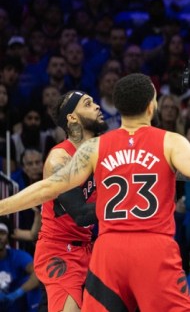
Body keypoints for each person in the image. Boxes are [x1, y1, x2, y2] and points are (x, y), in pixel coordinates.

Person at [0, 73, 190, 311]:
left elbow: (48, 187)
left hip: (106, 248)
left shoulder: (96, 148)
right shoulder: (170, 141)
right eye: (88, 104)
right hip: (136, 246)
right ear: (151, 105)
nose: (94, 107)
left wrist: (3, 206)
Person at [34, 90, 108, 312]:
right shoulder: (60, 159)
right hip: (58, 250)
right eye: (88, 104)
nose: (96, 106)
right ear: (72, 118)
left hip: (89, 248)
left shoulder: (103, 150)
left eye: (95, 102)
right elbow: (82, 214)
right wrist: (125, 202)